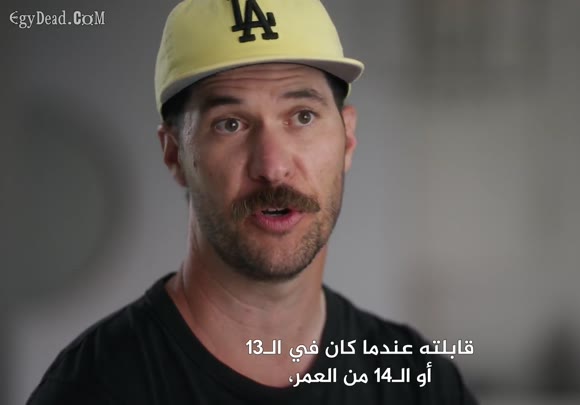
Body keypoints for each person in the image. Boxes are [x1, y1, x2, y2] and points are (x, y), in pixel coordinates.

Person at [28, 0, 478, 403]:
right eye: (230, 124)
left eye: (302, 116)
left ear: (347, 139)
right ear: (174, 154)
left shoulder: (419, 382)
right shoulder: (94, 387)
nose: (273, 166)